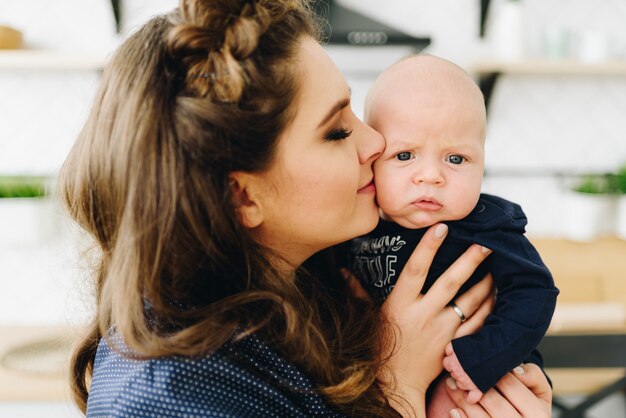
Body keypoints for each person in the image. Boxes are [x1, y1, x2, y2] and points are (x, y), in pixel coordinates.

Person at [59, 1, 552, 417]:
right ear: (242, 196)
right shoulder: (174, 398)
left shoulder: (315, 282)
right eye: (337, 131)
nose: (376, 142)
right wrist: (397, 387)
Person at [348, 55, 559, 406]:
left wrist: (480, 358)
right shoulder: (358, 223)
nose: (431, 175)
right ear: (373, 158)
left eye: (456, 159)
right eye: (404, 156)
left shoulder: (488, 225)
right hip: (387, 380)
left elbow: (535, 291)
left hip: (477, 371)